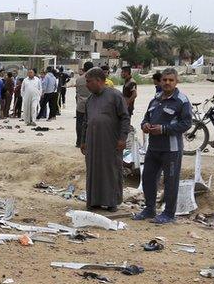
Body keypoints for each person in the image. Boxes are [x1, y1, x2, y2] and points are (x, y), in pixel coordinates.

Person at [136, 68, 192, 224]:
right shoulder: (155, 99)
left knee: (171, 181)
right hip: (153, 148)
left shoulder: (182, 100)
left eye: (171, 80)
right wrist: (145, 125)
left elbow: (186, 123)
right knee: (148, 178)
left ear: (176, 81)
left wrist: (164, 129)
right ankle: (149, 209)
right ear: (160, 81)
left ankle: (168, 213)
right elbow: (145, 118)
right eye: (165, 80)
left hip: (171, 150)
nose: (167, 83)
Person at [82, 67, 131, 212]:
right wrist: (83, 141)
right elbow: (86, 121)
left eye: (89, 82)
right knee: (93, 171)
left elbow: (125, 118)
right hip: (93, 142)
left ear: (98, 81)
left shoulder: (115, 96)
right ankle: (94, 201)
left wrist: (123, 138)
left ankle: (111, 202)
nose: (87, 85)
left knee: (111, 170)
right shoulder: (90, 99)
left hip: (111, 142)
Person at [74, 62, 93, 148]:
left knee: (79, 123)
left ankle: (79, 142)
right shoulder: (93, 79)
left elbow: (77, 93)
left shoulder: (79, 79)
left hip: (80, 104)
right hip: (91, 105)